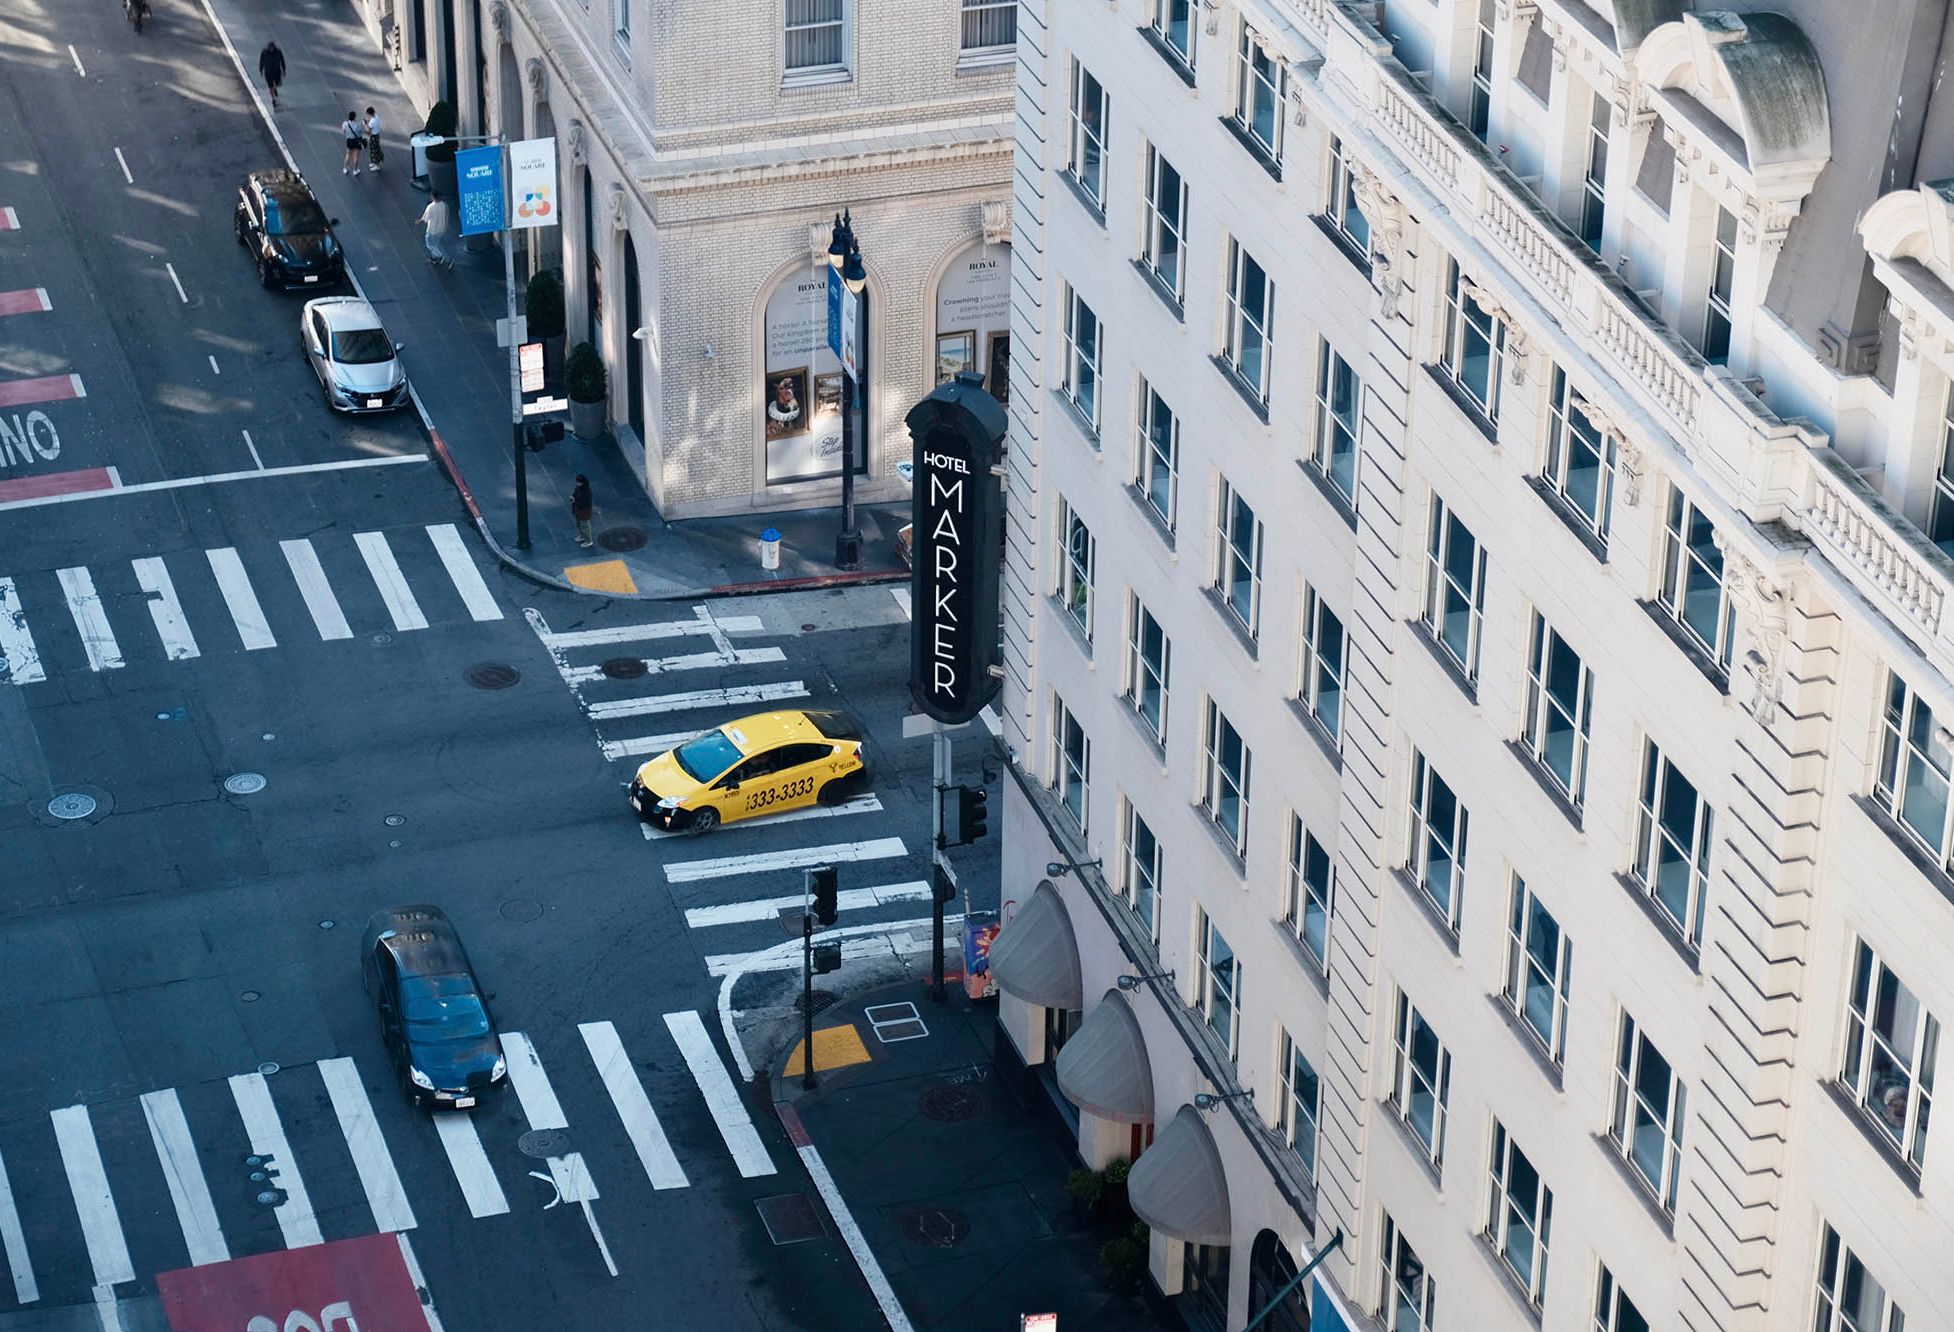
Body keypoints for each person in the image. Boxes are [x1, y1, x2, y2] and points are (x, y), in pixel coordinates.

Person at [418, 194, 453, 268]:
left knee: (430, 244)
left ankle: (447, 259)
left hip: (432, 230)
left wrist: (419, 221)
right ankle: (433, 258)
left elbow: (425, 219)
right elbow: (446, 215)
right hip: (441, 229)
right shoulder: (444, 205)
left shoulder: (430, 207)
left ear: (433, 197)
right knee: (436, 243)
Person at [257, 41, 286, 107]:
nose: (271, 49)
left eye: (272, 48)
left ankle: (275, 89)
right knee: (270, 86)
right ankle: (273, 99)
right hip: (268, 72)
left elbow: (282, 61)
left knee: (277, 83)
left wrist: (284, 70)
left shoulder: (278, 52)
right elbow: (261, 61)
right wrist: (260, 70)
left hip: (277, 71)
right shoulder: (264, 52)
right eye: (270, 48)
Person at [570, 475, 594, 548]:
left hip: (584, 510)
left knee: (585, 525)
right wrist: (573, 497)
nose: (577, 483)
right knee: (578, 523)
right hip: (578, 508)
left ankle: (589, 541)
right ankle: (582, 536)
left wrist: (575, 500)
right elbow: (575, 493)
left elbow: (585, 503)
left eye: (578, 482)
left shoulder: (587, 491)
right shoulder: (578, 488)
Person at [341, 110, 364, 175]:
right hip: (357, 141)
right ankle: (355, 170)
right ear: (354, 117)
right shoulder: (358, 124)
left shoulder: (345, 123)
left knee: (348, 154)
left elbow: (343, 131)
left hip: (349, 140)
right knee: (356, 157)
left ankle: (345, 168)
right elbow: (361, 132)